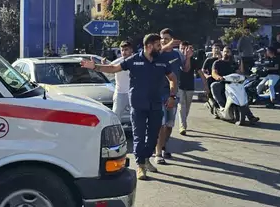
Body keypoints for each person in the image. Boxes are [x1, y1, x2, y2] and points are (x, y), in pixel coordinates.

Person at [80, 33, 177, 181]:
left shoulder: (162, 61)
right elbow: (113, 68)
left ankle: (146, 159)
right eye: (158, 44)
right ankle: (140, 165)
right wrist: (95, 67)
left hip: (156, 104)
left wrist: (172, 96)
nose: (160, 47)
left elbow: (173, 78)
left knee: (153, 137)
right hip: (138, 105)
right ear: (149, 46)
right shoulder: (134, 60)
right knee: (139, 136)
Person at [155, 28, 186, 165]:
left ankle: (163, 145)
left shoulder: (178, 54)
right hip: (159, 93)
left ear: (172, 40)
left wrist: (188, 58)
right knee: (161, 124)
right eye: (161, 39)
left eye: (166, 39)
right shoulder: (158, 53)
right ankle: (158, 153)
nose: (163, 41)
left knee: (169, 124)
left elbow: (185, 69)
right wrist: (164, 47)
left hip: (173, 93)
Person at [211, 47, 260, 124]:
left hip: (233, 84)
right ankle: (222, 106)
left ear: (231, 53)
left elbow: (240, 73)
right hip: (222, 82)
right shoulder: (217, 63)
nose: (226, 53)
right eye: (224, 51)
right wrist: (218, 77)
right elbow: (214, 73)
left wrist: (241, 62)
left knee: (242, 97)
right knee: (214, 85)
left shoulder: (233, 63)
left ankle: (250, 116)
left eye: (228, 52)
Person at [178, 41, 207, 135]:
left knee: (187, 108)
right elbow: (184, 69)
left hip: (190, 87)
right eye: (181, 48)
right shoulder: (177, 59)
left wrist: (206, 86)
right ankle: (182, 126)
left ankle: (183, 122)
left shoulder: (194, 61)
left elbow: (201, 74)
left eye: (185, 49)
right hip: (179, 86)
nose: (183, 51)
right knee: (181, 105)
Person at [110, 41, 133, 122]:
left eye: (126, 50)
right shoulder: (117, 62)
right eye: (122, 50)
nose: (124, 52)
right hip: (120, 93)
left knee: (136, 117)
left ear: (131, 50)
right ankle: (115, 134)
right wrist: (103, 64)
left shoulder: (137, 61)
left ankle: (137, 134)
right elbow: (108, 69)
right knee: (115, 116)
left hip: (133, 93)